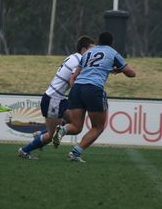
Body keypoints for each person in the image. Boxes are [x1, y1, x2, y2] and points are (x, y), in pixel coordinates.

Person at [52, 31, 136, 162]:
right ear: (111, 42)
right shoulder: (112, 52)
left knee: (76, 126)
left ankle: (62, 130)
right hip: (93, 89)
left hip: (77, 89)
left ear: (98, 41)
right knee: (98, 127)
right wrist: (118, 70)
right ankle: (75, 153)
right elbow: (131, 73)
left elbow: (74, 75)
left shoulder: (87, 53)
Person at [18, 36, 95, 159]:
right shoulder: (80, 60)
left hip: (58, 98)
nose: (93, 53)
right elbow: (72, 80)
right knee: (52, 136)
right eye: (91, 50)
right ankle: (24, 150)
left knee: (73, 122)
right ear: (84, 49)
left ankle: (41, 133)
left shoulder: (73, 56)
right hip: (53, 99)